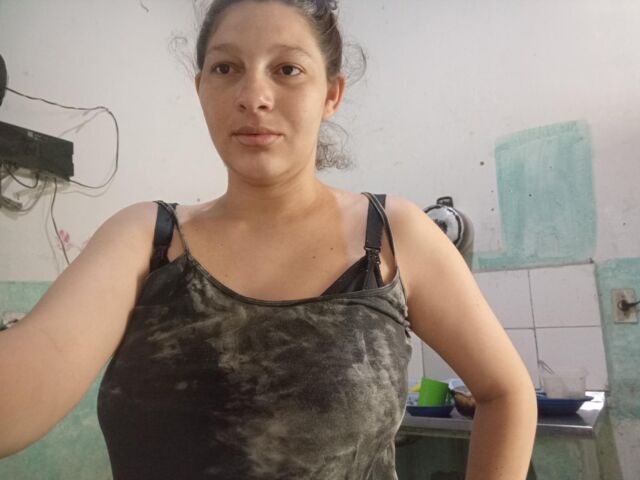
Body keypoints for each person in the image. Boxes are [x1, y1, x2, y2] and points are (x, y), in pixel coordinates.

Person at [0, 0, 537, 478]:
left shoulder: (394, 236)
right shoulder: (145, 240)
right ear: (201, 89)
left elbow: (506, 392)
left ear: (331, 94)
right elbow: (24, 388)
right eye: (226, 68)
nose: (253, 96)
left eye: (287, 69)